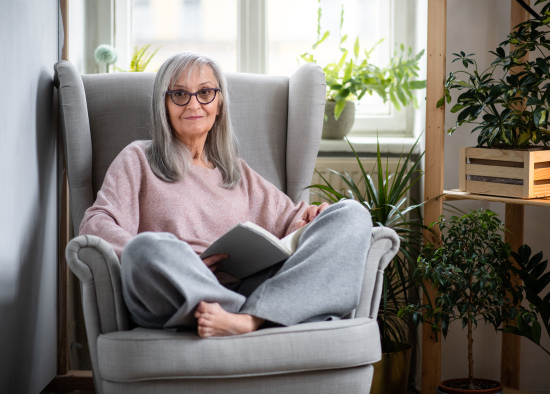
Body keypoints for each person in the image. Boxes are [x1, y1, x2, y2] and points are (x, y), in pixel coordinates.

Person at [79, 52, 372, 338]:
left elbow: (291, 221)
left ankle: (248, 319)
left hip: (245, 289)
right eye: (179, 94)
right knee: (144, 249)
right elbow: (94, 225)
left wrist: (311, 218)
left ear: (219, 104)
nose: (193, 103)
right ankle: (261, 311)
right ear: (164, 104)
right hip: (174, 292)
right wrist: (185, 261)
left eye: (205, 92)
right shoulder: (138, 159)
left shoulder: (236, 172)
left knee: (351, 214)